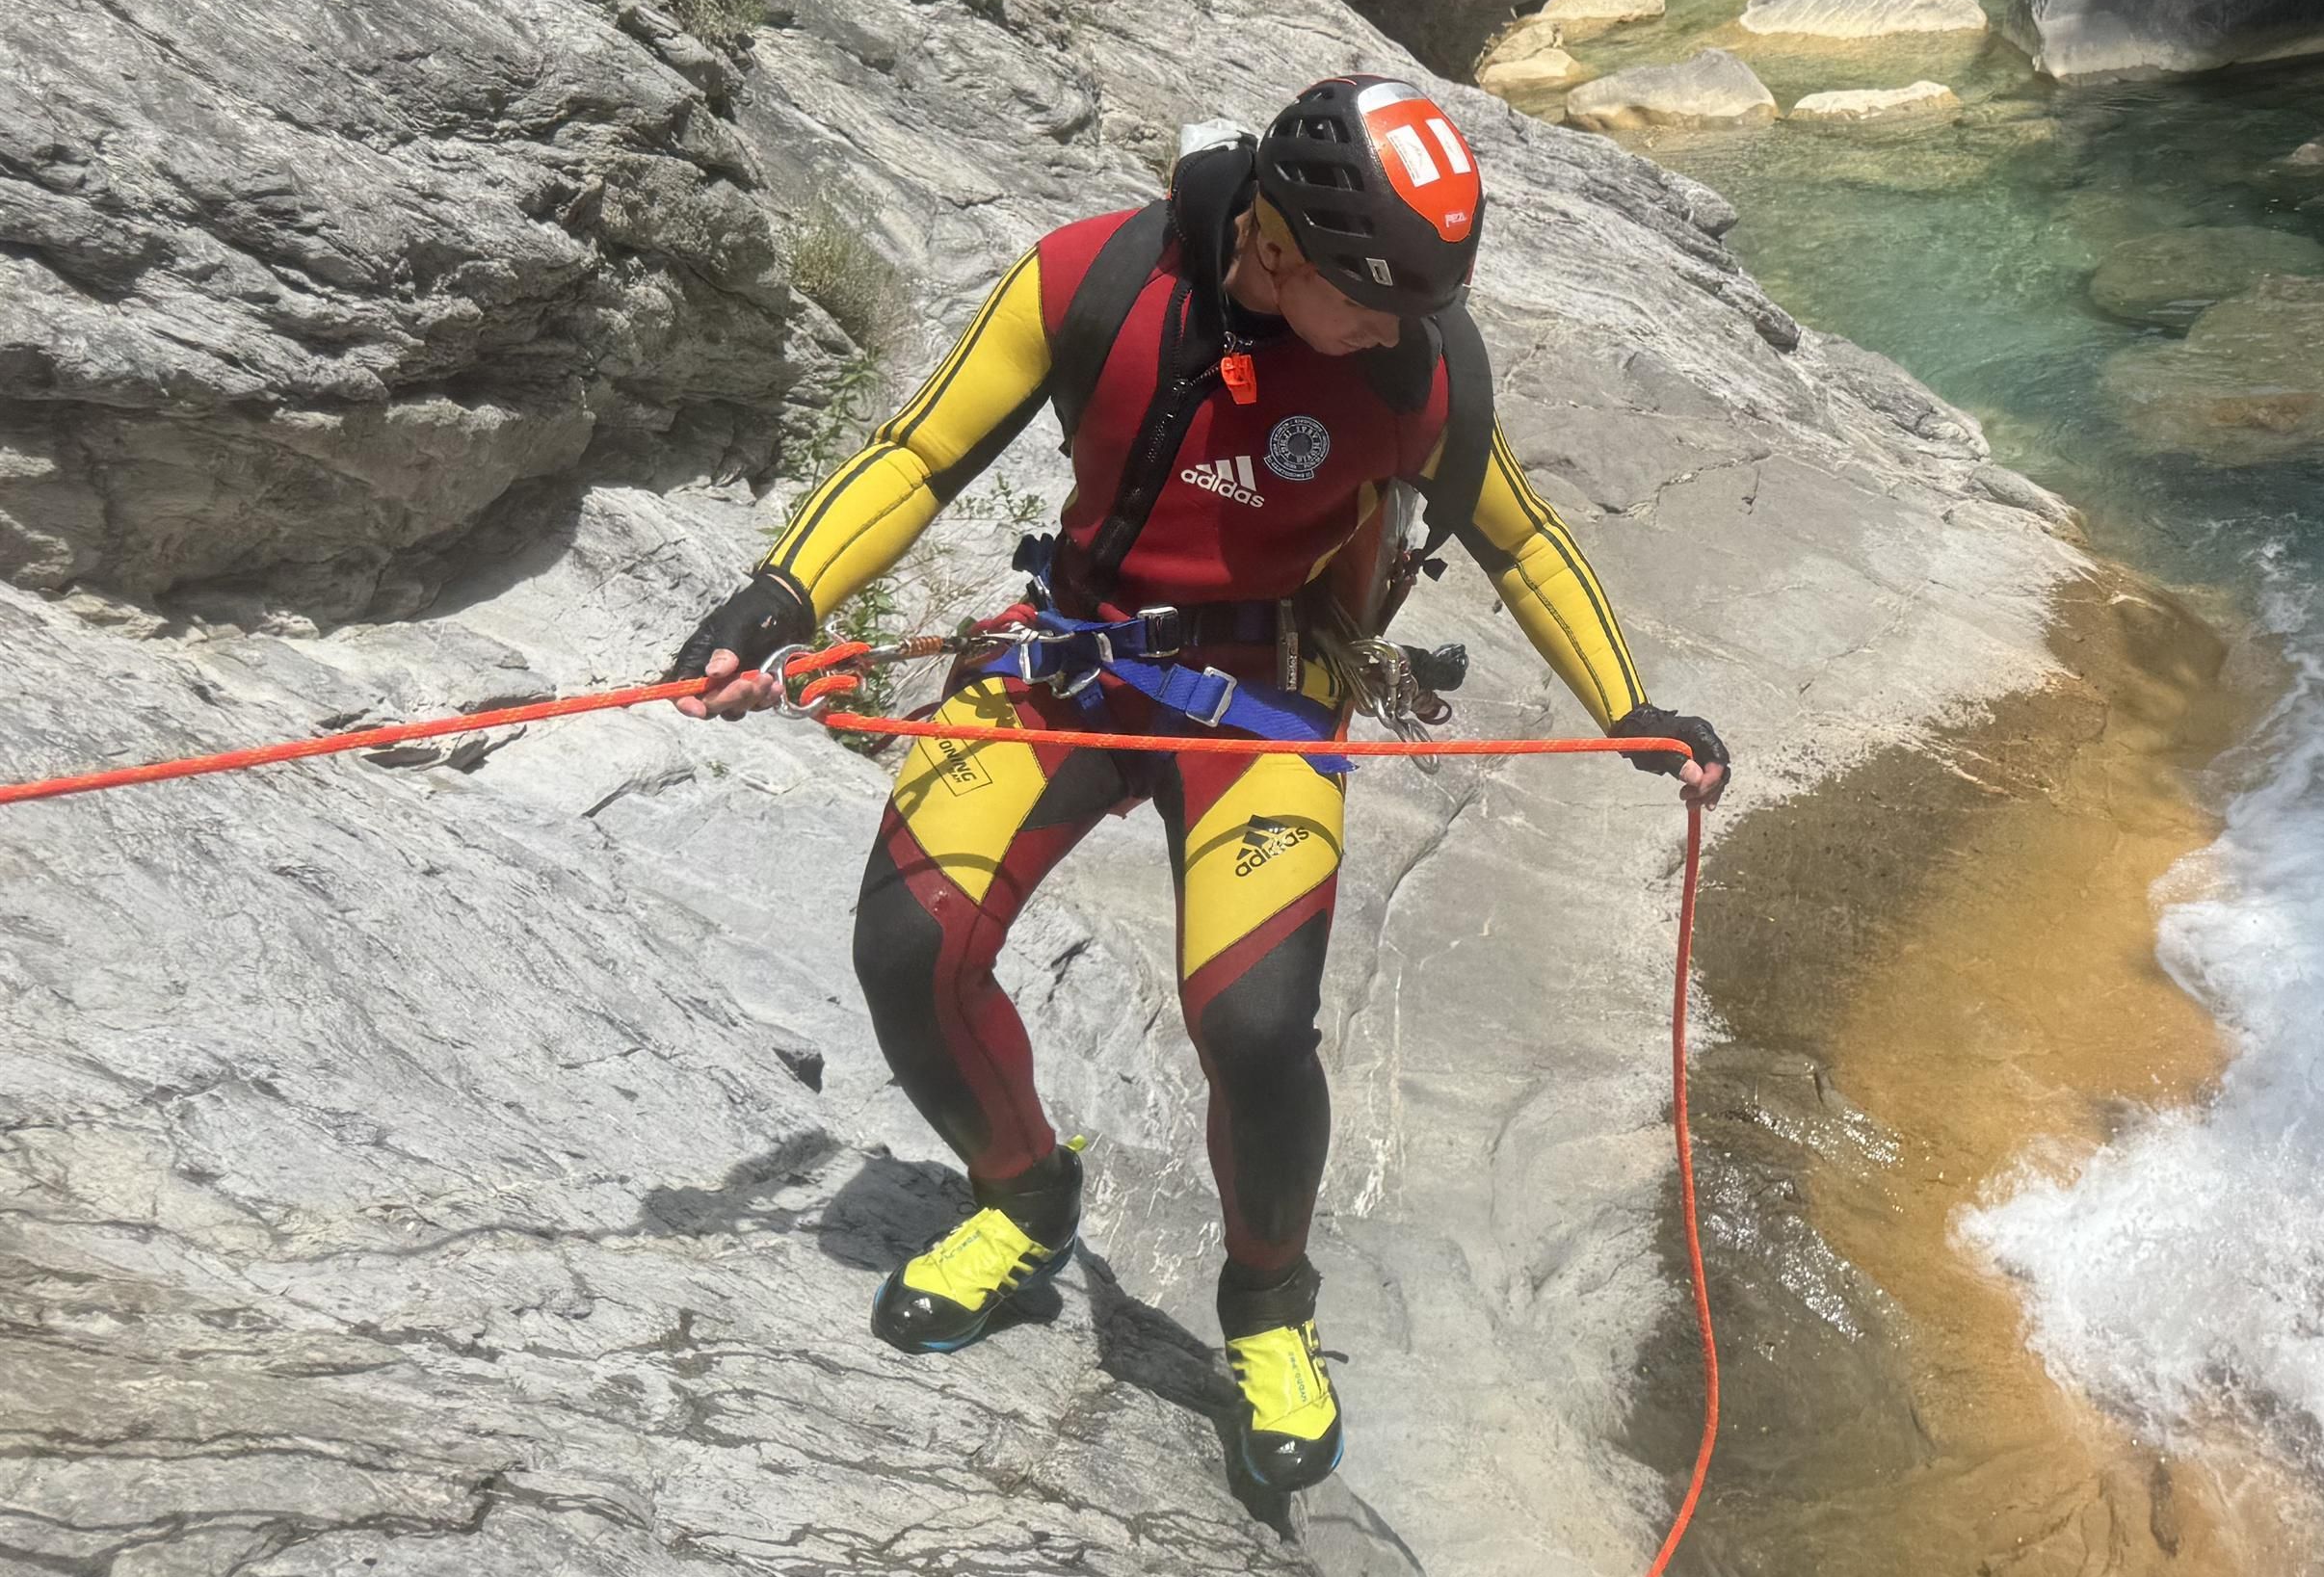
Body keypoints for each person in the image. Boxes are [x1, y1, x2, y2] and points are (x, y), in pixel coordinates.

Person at [669, 79, 1728, 1499]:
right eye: (1375, 303)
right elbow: (920, 454)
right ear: (1280, 243)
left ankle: (1269, 1306)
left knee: (1257, 1028)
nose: (1403, 333)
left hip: (1266, 692)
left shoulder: (1415, 367)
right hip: (1070, 655)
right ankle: (1024, 1197)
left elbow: (1521, 541)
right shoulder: (1094, 278)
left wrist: (1630, 709)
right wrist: (778, 597)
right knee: (910, 949)